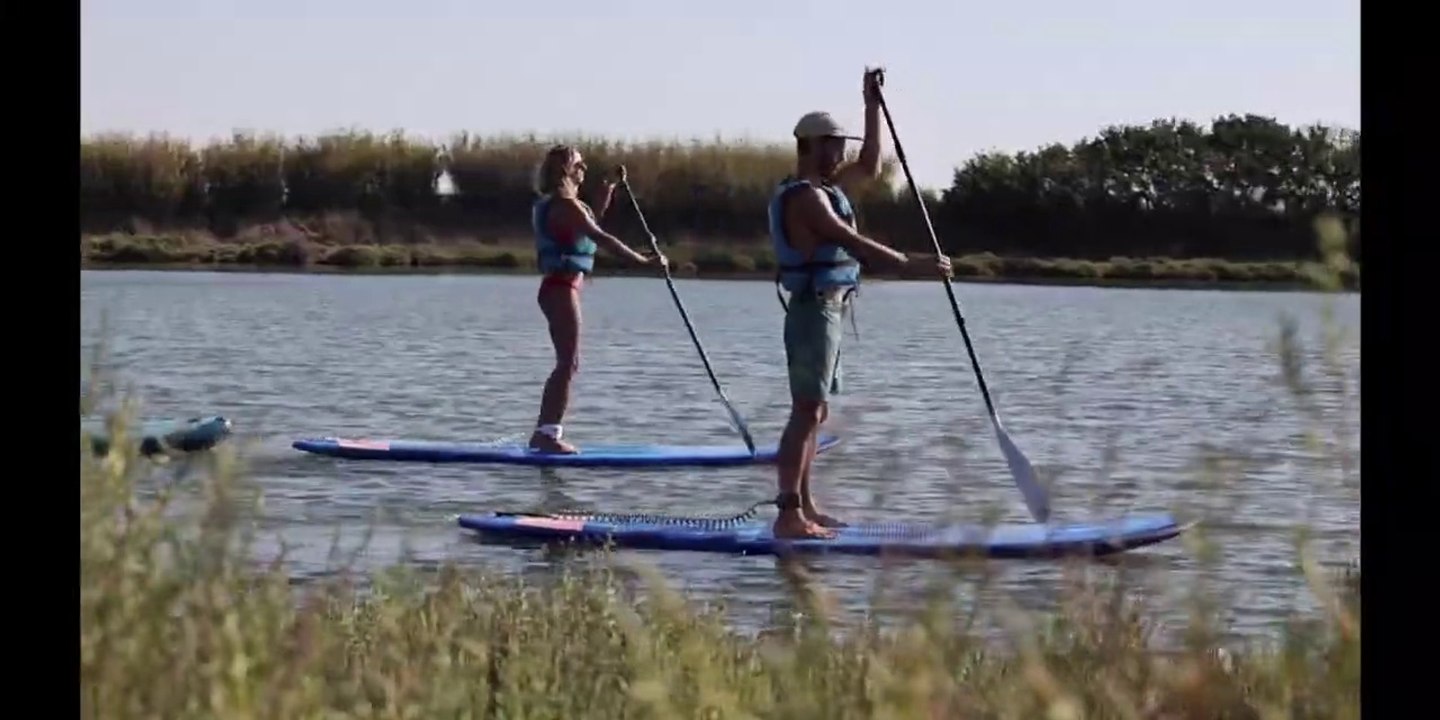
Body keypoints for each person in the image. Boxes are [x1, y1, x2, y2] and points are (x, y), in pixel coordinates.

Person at [768, 69, 954, 539]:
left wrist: (871, 103)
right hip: (812, 309)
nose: (839, 152)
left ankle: (806, 506)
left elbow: (870, 165)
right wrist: (915, 266)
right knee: (805, 410)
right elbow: (854, 242)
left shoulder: (830, 189)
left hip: (831, 308)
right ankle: (788, 514)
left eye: (840, 144)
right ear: (807, 146)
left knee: (817, 412)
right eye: (830, 144)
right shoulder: (806, 199)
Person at [529, 144, 668, 454]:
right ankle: (546, 435)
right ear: (566, 170)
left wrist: (609, 189)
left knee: (568, 363)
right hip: (560, 288)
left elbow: (591, 220)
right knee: (568, 362)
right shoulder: (564, 206)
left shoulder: (569, 206)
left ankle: (545, 433)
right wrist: (644, 262)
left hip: (563, 288)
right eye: (579, 165)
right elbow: (600, 237)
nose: (584, 170)